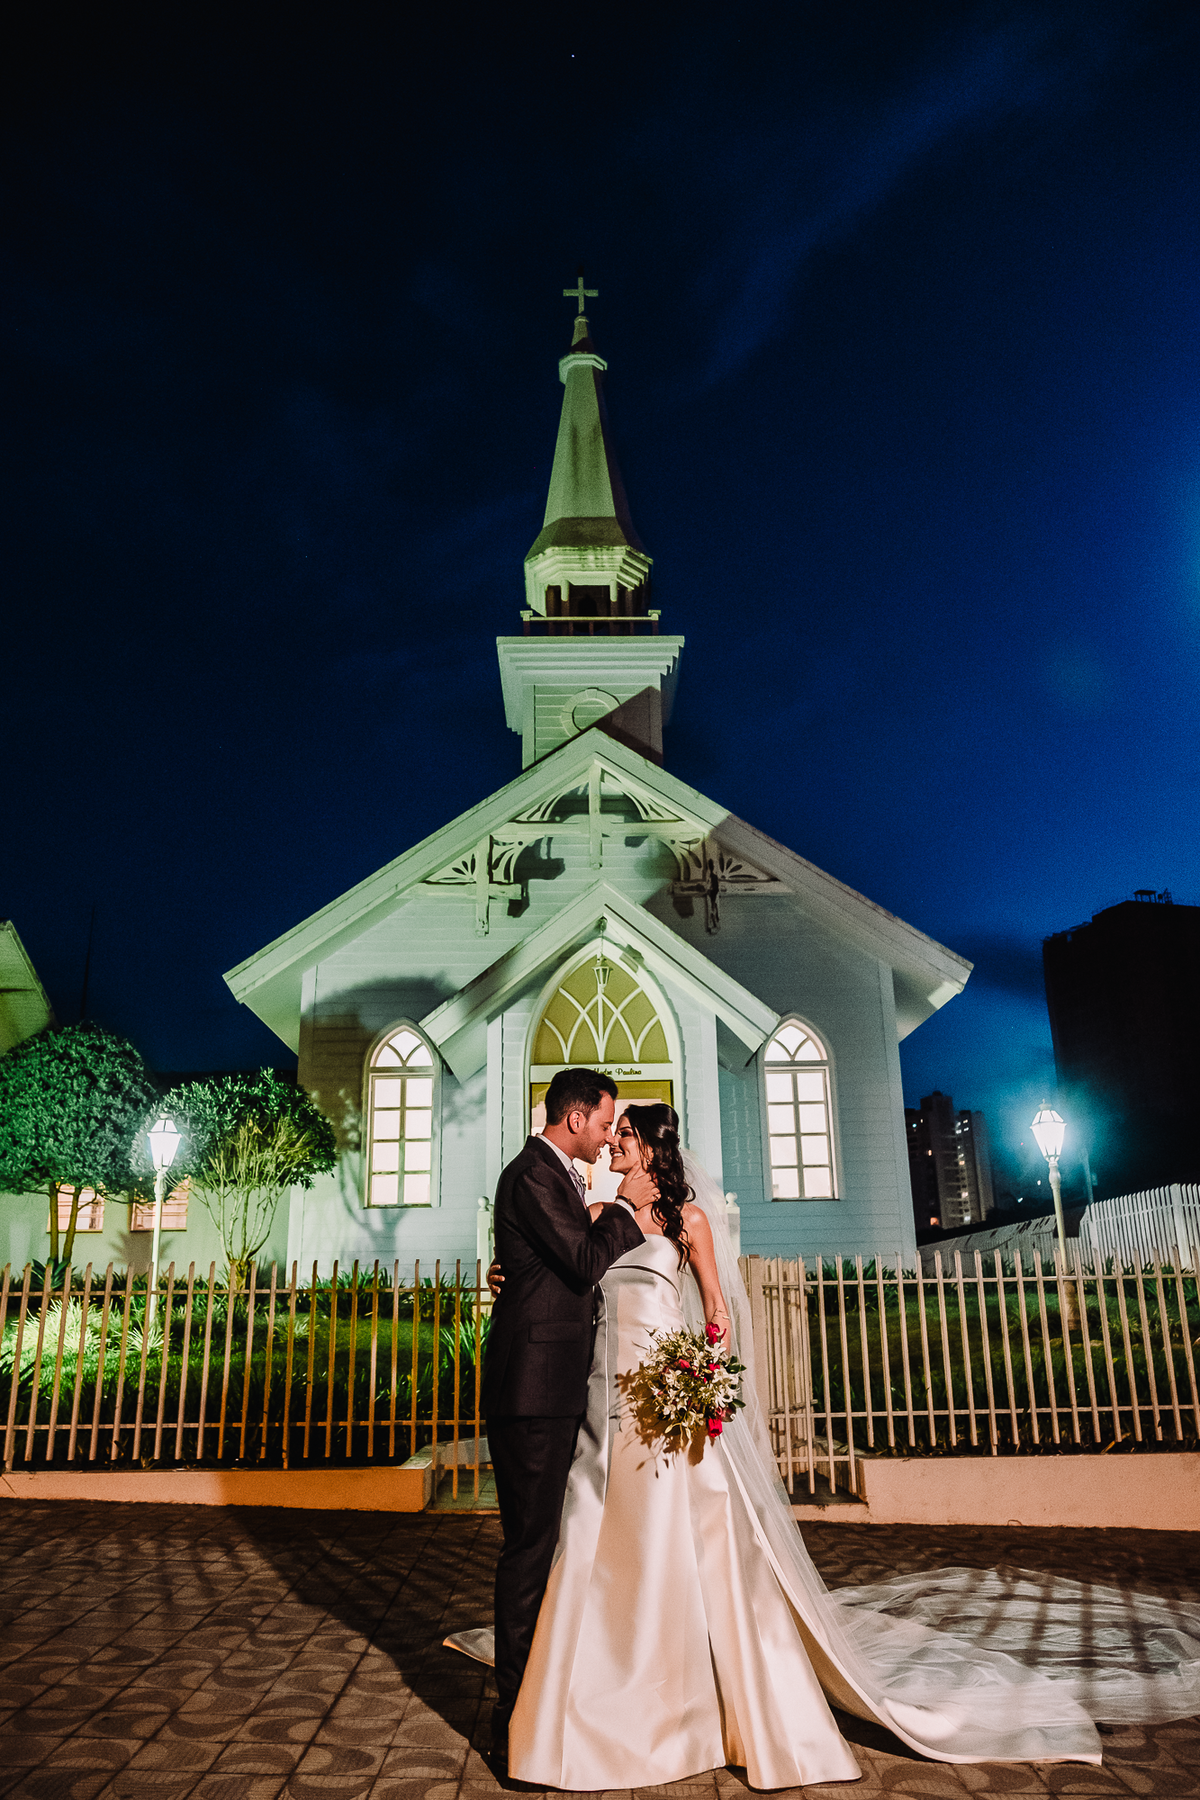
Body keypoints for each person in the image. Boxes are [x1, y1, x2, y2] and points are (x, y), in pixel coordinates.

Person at [453, 1103, 1200, 1788]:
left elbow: (717, 1313)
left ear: (647, 1145)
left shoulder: (689, 1223)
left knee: (681, 1547)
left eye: (623, 1136)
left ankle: (689, 1695)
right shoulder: (593, 1212)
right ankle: (584, 1693)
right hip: (599, 1405)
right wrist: (508, 1274)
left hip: (662, 1408)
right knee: (586, 1542)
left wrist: (700, 1373)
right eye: (608, 1131)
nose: (612, 1142)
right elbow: (563, 1276)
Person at [478, 1067, 644, 1767]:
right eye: (605, 1123)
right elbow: (580, 1263)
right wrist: (624, 1209)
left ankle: (537, 1694)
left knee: (542, 1543)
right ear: (575, 1118)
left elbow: (548, 1265)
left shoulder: (551, 1176)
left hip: (551, 1385)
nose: (609, 1136)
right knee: (530, 1548)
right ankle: (516, 1713)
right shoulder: (534, 1173)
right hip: (533, 1390)